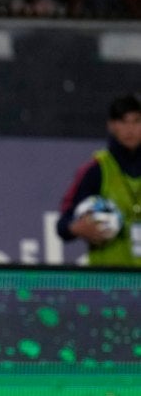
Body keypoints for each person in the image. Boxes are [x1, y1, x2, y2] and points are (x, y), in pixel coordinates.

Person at [56, 92, 141, 267]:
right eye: (123, 122)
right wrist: (77, 228)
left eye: (136, 121)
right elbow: (63, 225)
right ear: (111, 126)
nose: (130, 129)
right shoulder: (96, 170)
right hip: (109, 282)